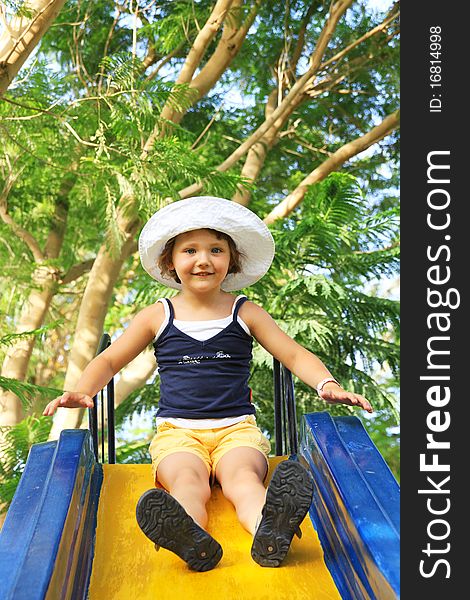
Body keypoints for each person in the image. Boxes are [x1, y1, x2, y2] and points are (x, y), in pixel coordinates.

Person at [43, 196, 372, 572]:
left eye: (216, 249)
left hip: (237, 431)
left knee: (244, 478)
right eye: (190, 250)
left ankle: (269, 530)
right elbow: (110, 358)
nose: (204, 259)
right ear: (171, 262)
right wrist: (85, 389)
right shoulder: (157, 315)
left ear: (231, 260)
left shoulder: (244, 311)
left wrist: (326, 383)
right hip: (178, 433)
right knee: (187, 481)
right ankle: (190, 537)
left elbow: (293, 355)